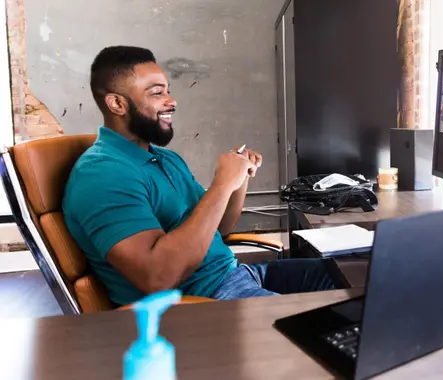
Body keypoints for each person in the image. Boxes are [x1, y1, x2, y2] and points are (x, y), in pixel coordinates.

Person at [62, 46, 345, 307]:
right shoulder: (102, 175)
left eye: (168, 91)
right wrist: (222, 184)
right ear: (117, 104)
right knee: (326, 325)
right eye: (157, 93)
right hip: (201, 302)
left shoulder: (164, 158)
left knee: (353, 275)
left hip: (234, 274)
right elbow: (157, 278)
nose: (171, 101)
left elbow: (219, 227)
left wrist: (238, 179)